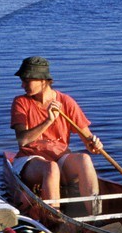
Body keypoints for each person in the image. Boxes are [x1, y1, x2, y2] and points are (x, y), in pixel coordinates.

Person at [9, 56, 106, 208]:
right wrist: (48, 121)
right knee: (51, 168)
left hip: (59, 157)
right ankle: (56, 220)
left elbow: (88, 141)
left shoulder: (66, 102)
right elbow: (22, 140)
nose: (22, 85)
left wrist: (94, 145)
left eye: (27, 80)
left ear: (43, 80)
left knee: (84, 159)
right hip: (29, 160)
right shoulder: (21, 102)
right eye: (22, 80)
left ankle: (96, 217)